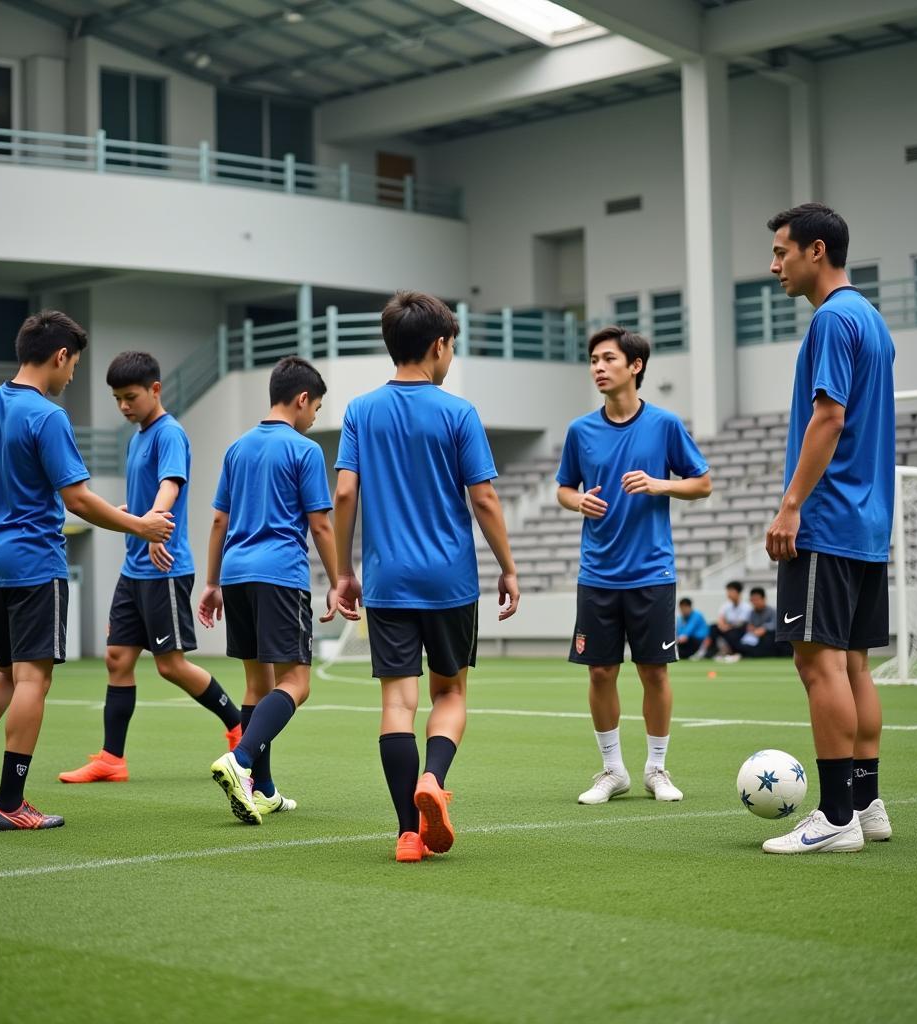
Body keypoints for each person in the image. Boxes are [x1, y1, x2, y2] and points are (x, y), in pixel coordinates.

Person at [0, 311, 173, 831]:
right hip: (35, 563)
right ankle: (11, 802)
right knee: (32, 679)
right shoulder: (47, 417)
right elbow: (79, 501)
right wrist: (140, 526)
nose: (72, 378)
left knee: (5, 672)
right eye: (74, 367)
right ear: (61, 356)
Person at [333, 291, 520, 863]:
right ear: (439, 346)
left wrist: (343, 572)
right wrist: (509, 568)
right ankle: (433, 780)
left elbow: (344, 491)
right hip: (450, 582)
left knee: (397, 703)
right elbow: (483, 498)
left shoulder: (360, 410)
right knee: (450, 690)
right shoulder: (457, 411)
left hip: (388, 581)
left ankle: (407, 834)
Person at [763, 202, 895, 854]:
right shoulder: (872, 321)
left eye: (782, 251)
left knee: (820, 668)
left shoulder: (832, 321)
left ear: (817, 250)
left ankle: (836, 817)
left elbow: (829, 418)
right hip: (869, 525)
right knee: (854, 666)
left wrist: (792, 504)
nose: (774, 264)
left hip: (829, 520)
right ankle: (868, 804)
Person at [58, 352, 242, 786]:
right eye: (118, 399)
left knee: (170, 665)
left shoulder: (169, 433)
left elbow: (170, 485)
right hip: (134, 568)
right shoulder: (136, 437)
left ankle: (239, 727)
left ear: (155, 390)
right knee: (117, 658)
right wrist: (133, 514)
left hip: (164, 567)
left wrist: (153, 525)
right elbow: (146, 493)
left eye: (131, 397)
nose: (124, 406)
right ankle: (111, 759)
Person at [556, 326, 711, 807]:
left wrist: (660, 485)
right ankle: (612, 770)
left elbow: (702, 483)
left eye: (607, 359)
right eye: (593, 360)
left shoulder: (664, 425)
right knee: (600, 673)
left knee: (654, 674)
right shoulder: (580, 430)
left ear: (635, 366)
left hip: (651, 573)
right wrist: (577, 500)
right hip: (597, 575)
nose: (598, 368)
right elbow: (563, 487)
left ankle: (657, 768)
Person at [200, 357, 339, 824]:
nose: (313, 417)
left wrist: (212, 581)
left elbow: (219, 519)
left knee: (257, 685)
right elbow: (320, 524)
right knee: (297, 684)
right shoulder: (305, 450)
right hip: (280, 575)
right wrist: (340, 581)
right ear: (302, 400)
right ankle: (240, 763)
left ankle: (265, 790)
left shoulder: (237, 449)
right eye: (316, 409)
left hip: (236, 575)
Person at [723, 586, 788, 660]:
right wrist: (751, 628)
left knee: (769, 638)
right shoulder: (752, 613)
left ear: (764, 599)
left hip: (769, 638)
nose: (755, 602)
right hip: (755, 637)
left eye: (757, 599)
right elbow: (749, 626)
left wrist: (764, 628)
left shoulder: (772, 611)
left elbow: (776, 624)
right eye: (753, 600)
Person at [691, 581, 751, 660]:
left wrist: (727, 627)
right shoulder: (726, 605)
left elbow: (741, 623)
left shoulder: (746, 607)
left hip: (738, 631)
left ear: (738, 592)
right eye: (728, 591)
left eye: (731, 591)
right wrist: (722, 626)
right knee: (713, 627)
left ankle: (734, 652)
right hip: (726, 628)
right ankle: (711, 651)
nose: (729, 594)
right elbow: (720, 618)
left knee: (734, 632)